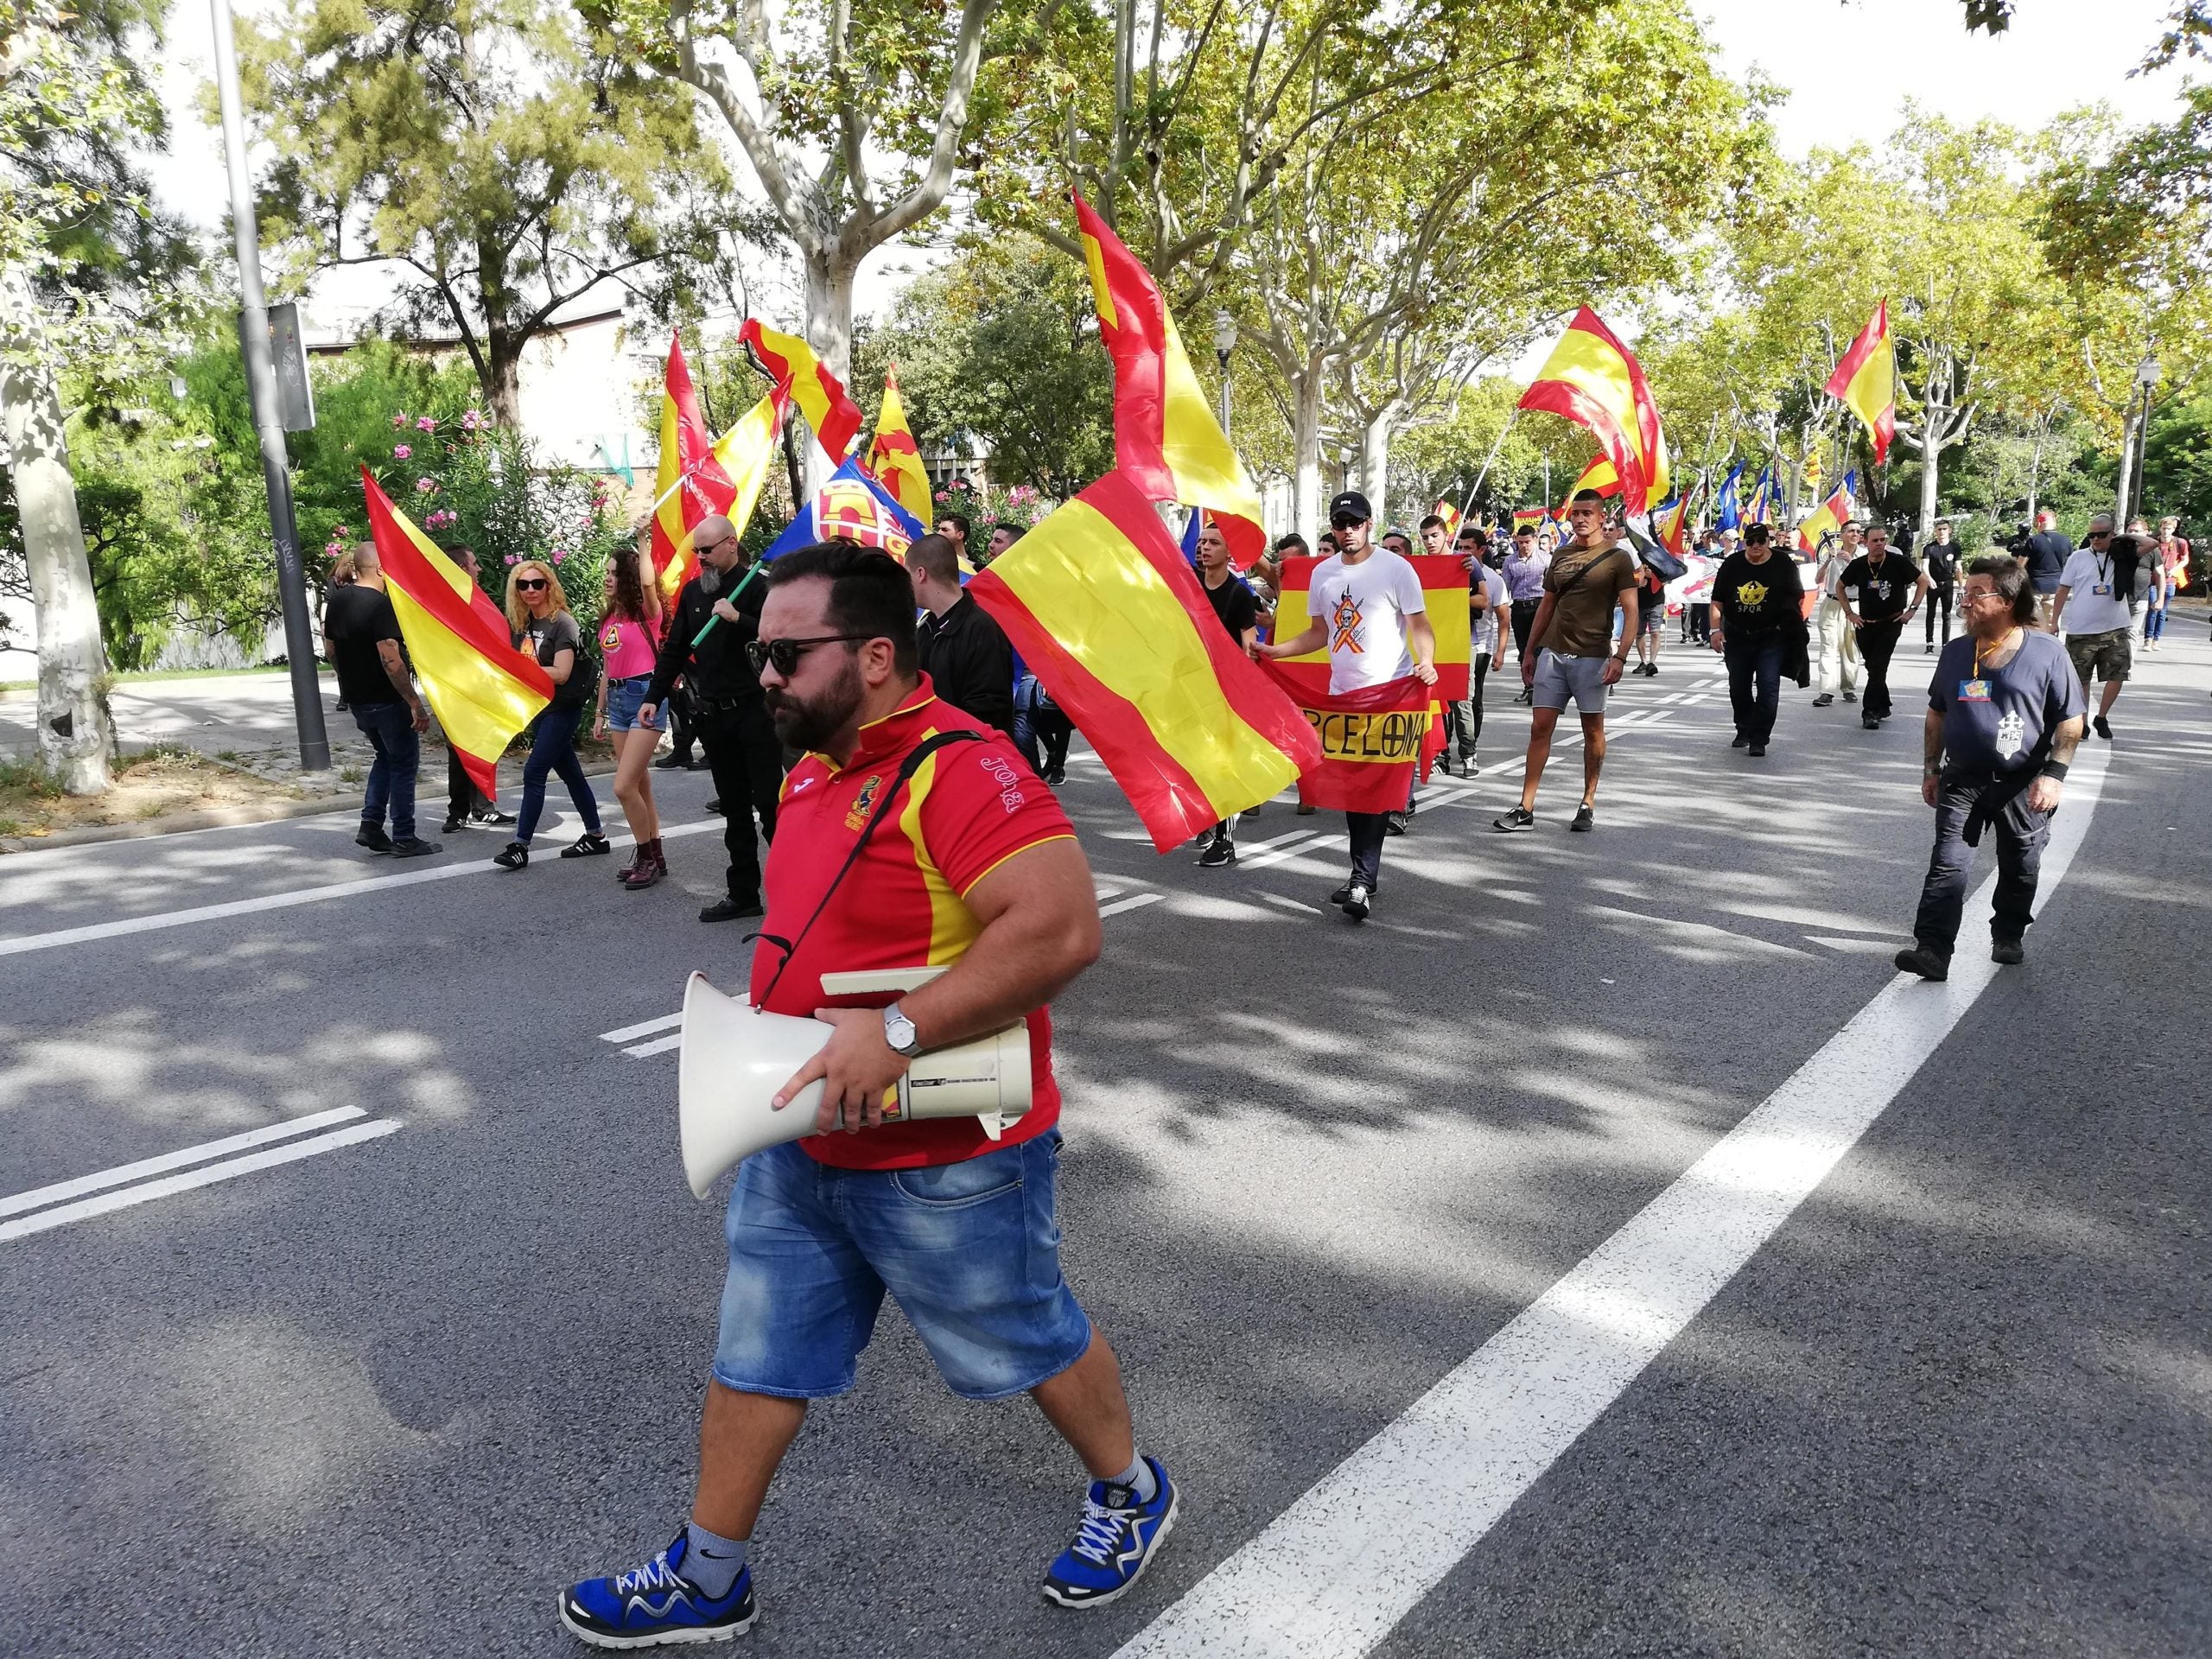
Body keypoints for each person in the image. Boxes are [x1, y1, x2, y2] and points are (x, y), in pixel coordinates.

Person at [558, 543, 1174, 1648]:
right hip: (800, 1137)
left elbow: (1060, 926)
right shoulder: (815, 761)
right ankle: (710, 1577)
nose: (766, 675)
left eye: (788, 655)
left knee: (1027, 1338)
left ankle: (1132, 1491)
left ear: (877, 655)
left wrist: (895, 1031)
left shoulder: (964, 768)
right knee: (756, 1360)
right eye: (762, 654)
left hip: (948, 1160)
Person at [1894, 556, 2085, 980]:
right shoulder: (1957, 651)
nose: (1966, 601)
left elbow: (2072, 721)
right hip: (1962, 778)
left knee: (2020, 864)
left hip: (2024, 782)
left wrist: (2054, 775)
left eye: (1978, 594)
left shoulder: (2048, 652)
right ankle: (1932, 949)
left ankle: (2008, 931)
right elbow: (1936, 714)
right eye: (1966, 592)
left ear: (2010, 600)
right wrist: (1930, 769)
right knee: (1948, 864)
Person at [1256, 490, 1435, 918]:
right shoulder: (1324, 574)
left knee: (1376, 790)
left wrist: (1426, 661)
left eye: (1355, 523)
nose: (1347, 531)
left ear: (1369, 523)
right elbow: (1321, 632)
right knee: (1355, 789)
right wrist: (1277, 652)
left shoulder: (1396, 568)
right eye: (1340, 524)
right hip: (1343, 698)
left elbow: (1420, 624)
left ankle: (1360, 880)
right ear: (1333, 527)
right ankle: (1363, 876)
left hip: (1390, 694)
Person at [644, 514, 781, 922]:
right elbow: (674, 649)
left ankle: (798, 891)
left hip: (756, 711)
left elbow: (781, 642)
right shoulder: (693, 594)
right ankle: (743, 893)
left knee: (771, 808)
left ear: (731, 544)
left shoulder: (759, 586)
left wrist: (740, 620)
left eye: (707, 549)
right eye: (696, 551)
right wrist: (654, 696)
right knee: (734, 809)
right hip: (715, 716)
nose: (701, 557)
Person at [1493, 488, 1637, 834]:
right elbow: (1547, 604)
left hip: (1593, 657)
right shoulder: (1559, 555)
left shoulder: (1618, 559)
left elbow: (1632, 611)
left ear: (1603, 517)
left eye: (1588, 513)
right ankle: (1525, 807)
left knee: (1593, 731)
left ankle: (1588, 800)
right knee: (1539, 728)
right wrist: (1530, 650)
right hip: (1553, 655)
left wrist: (1620, 656)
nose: (1581, 519)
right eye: (1576, 513)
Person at [322, 545, 441, 858]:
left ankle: (371, 826)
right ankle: (404, 835)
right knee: (403, 765)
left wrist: (346, 681)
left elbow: (330, 649)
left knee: (384, 759)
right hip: (387, 701)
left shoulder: (337, 601)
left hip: (359, 701)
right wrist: (414, 701)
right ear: (379, 570)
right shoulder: (380, 605)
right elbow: (391, 658)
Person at [491, 561, 607, 871]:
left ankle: (520, 846)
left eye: (537, 584)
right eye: (522, 584)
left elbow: (561, 673)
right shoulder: (520, 623)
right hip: (539, 709)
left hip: (562, 707)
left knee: (534, 772)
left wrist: (521, 670)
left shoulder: (562, 623)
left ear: (549, 585)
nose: (530, 590)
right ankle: (596, 835)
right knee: (570, 773)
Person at [592, 546, 671, 888]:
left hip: (646, 697)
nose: (608, 578)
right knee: (639, 783)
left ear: (629, 579)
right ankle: (656, 852)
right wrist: (600, 711)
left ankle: (645, 857)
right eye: (606, 573)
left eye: (614, 573)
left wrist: (642, 540)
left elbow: (650, 585)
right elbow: (608, 668)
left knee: (623, 786)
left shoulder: (647, 613)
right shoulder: (611, 617)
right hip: (621, 702)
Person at [434, 547, 518, 835]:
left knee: (486, 744)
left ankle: (484, 808)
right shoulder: (442, 604)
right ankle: (457, 812)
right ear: (460, 568)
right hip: (454, 690)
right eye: (474, 564)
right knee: (458, 749)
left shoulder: (478, 601)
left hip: (483, 688)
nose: (479, 569)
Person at [1192, 517, 1261, 867]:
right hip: (1188, 685)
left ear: (1229, 552)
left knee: (1219, 763)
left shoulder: (1239, 594)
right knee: (1194, 759)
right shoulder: (1188, 582)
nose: (1204, 547)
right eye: (1202, 541)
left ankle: (1224, 839)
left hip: (1224, 691)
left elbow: (1249, 646)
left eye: (1213, 543)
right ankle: (1205, 819)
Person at [1707, 524, 1805, 758]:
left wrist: (1790, 624)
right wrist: (1714, 630)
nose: (1756, 546)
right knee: (1738, 688)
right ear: (1744, 542)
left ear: (1769, 541)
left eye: (1761, 540)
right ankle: (1743, 727)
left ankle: (1759, 737)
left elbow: (1798, 597)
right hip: (1738, 636)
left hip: (1772, 637)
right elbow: (1717, 600)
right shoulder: (1732, 564)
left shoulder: (1783, 564)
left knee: (1768, 687)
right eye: (1750, 541)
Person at [912, 531, 1016, 739]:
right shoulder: (925, 628)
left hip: (969, 757)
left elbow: (989, 712)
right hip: (932, 755)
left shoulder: (982, 629)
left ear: (921, 574)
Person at [2051, 518, 2137, 741]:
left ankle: (2102, 717)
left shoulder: (2122, 554)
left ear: (2112, 534)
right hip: (2082, 629)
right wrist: (2054, 620)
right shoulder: (2078, 557)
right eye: (2092, 535)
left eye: (2101, 535)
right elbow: (2062, 589)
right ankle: (2083, 721)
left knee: (2118, 675)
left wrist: (2124, 538)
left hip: (2115, 628)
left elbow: (2151, 545)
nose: (2096, 539)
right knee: (2081, 680)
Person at [1839, 524, 1925, 730]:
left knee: (1878, 666)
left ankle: (1870, 712)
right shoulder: (1859, 565)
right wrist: (1850, 613)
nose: (1879, 544)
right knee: (1874, 668)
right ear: (1865, 542)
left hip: (1891, 622)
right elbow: (1839, 587)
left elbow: (1922, 581)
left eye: (1883, 540)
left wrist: (1912, 609)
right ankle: (1884, 704)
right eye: (1875, 541)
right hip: (1865, 624)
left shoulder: (1898, 562)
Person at [1446, 523, 1505, 774]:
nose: (1463, 552)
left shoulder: (1490, 578)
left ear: (1481, 550)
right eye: (1459, 547)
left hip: (1479, 646)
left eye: (1468, 548)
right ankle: (1442, 752)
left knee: (1470, 700)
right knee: (1446, 702)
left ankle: (1470, 749)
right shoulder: (1446, 569)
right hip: (1448, 643)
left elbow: (1502, 616)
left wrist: (1501, 651)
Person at [1811, 521, 1863, 708]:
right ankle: (1826, 690)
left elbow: (1868, 581)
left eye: (1858, 531)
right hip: (1832, 603)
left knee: (1850, 648)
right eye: (1850, 531)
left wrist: (1852, 562)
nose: (1854, 534)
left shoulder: (1863, 555)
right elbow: (1818, 579)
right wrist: (1827, 561)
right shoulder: (1831, 553)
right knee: (1828, 647)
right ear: (1842, 535)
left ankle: (1848, 687)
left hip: (1854, 605)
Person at [1499, 524, 1550, 703]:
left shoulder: (1546, 559)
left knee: (1540, 648)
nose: (1524, 546)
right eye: (1520, 542)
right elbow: (1505, 588)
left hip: (1540, 606)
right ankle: (1529, 687)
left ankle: (1542, 687)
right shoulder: (1510, 561)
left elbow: (1553, 587)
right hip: (1520, 608)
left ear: (1535, 540)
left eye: (1527, 542)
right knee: (1523, 649)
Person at [2020, 507, 2072, 628]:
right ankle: (2053, 645)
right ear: (2054, 523)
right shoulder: (2066, 540)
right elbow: (2069, 565)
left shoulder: (2033, 540)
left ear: (2039, 524)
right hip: (2057, 587)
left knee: (2035, 624)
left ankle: (2036, 645)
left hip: (2035, 587)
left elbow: (2020, 565)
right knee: (2052, 623)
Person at [1920, 519, 1961, 653]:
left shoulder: (1955, 547)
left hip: (1947, 584)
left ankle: (1945, 644)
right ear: (1935, 531)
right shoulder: (1930, 548)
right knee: (1930, 613)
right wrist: (1929, 579)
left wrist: (1961, 587)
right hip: (1933, 584)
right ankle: (1929, 643)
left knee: (1946, 614)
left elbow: (1958, 567)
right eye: (1939, 529)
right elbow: (1924, 566)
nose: (1941, 532)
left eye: (1944, 529)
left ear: (1949, 530)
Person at [1630, 549, 1667, 676]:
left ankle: (1652, 662)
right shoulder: (1635, 557)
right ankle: (1643, 662)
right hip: (1639, 602)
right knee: (1639, 634)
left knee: (1655, 632)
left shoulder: (1659, 558)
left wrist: (1655, 577)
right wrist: (1638, 581)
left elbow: (1667, 577)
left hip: (1656, 601)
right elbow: (1629, 575)